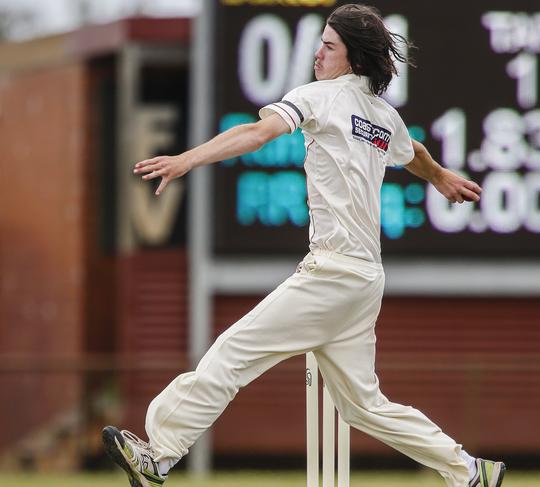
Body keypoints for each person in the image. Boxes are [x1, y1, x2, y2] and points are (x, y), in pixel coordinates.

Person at [102, 4, 505, 487]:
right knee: (363, 406)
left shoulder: (320, 97)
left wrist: (187, 160)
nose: (317, 54)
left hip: (333, 273)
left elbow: (256, 133)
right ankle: (468, 471)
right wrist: (439, 176)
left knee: (232, 353)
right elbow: (412, 152)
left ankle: (159, 455)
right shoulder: (383, 116)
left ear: (353, 58)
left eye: (329, 46)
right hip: (365, 280)